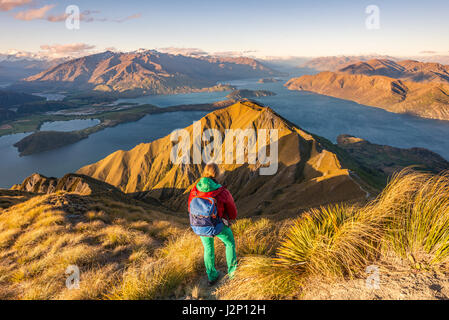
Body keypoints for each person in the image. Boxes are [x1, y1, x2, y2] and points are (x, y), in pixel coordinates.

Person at [188, 163, 238, 286]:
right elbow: (233, 213)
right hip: (217, 226)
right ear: (217, 174)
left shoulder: (194, 190)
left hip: (200, 225)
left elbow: (190, 207)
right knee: (229, 243)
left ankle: (212, 275)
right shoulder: (222, 192)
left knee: (208, 248)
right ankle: (232, 273)